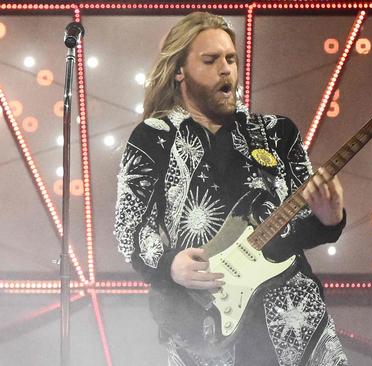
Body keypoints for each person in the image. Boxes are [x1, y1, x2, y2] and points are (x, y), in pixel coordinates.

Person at [114, 12, 348, 366]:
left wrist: (329, 220)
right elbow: (131, 226)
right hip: (204, 322)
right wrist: (169, 265)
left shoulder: (276, 132)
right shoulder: (154, 137)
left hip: (289, 315)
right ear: (180, 71)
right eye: (210, 60)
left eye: (231, 59)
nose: (226, 69)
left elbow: (301, 222)